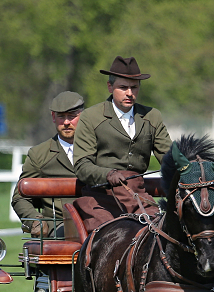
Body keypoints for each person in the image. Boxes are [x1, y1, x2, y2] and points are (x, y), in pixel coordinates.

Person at [72, 56, 172, 232]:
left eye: (134, 87)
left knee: (161, 233)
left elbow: (169, 158)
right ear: (110, 87)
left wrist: (191, 168)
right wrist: (108, 173)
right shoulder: (91, 117)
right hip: (100, 196)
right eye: (123, 87)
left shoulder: (152, 116)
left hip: (138, 196)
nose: (129, 93)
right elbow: (82, 165)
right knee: (108, 236)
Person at [11, 91, 85, 236]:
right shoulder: (39, 155)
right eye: (61, 116)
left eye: (72, 116)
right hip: (58, 230)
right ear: (53, 117)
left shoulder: (99, 150)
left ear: (83, 116)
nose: (66, 122)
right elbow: (20, 197)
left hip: (98, 225)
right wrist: (34, 220)